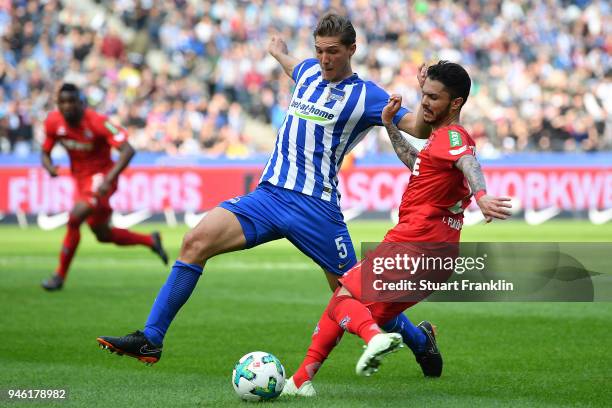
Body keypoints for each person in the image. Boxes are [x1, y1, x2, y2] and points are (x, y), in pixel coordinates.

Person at [96, 12, 432, 366]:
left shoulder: (367, 96)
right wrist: (278, 51)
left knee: (353, 293)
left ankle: (419, 339)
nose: (324, 59)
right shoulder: (307, 71)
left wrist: (425, 95)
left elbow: (418, 128)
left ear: (352, 49)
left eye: (333, 51)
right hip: (268, 197)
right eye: (318, 50)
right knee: (195, 242)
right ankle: (151, 338)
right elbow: (293, 65)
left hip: (315, 208)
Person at [282, 61, 513, 396]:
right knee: (352, 309)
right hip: (438, 257)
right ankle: (300, 382)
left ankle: (374, 340)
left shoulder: (452, 136)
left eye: (434, 97)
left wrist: (482, 195)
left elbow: (469, 163)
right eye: (424, 95)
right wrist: (389, 125)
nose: (425, 103)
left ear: (456, 103)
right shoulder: (440, 142)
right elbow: (416, 162)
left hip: (415, 244)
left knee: (341, 302)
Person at [41, 83, 168, 291]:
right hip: (81, 181)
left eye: (72, 101)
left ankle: (59, 276)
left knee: (74, 218)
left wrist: (109, 179)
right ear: (57, 104)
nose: (67, 106)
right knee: (102, 234)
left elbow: (128, 150)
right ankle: (150, 240)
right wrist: (49, 168)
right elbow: (45, 152)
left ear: (81, 102)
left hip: (102, 179)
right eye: (62, 102)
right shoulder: (53, 122)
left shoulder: (98, 122)